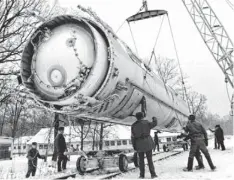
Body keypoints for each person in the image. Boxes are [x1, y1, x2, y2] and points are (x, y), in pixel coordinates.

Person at [131, 112, 158, 179]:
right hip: (148, 143)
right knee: (150, 160)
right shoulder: (147, 123)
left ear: (136, 117)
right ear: (143, 116)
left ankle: (142, 175)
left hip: (139, 144)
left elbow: (133, 137)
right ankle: (153, 174)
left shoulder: (133, 125)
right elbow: (154, 123)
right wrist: (155, 119)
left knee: (141, 161)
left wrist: (134, 146)